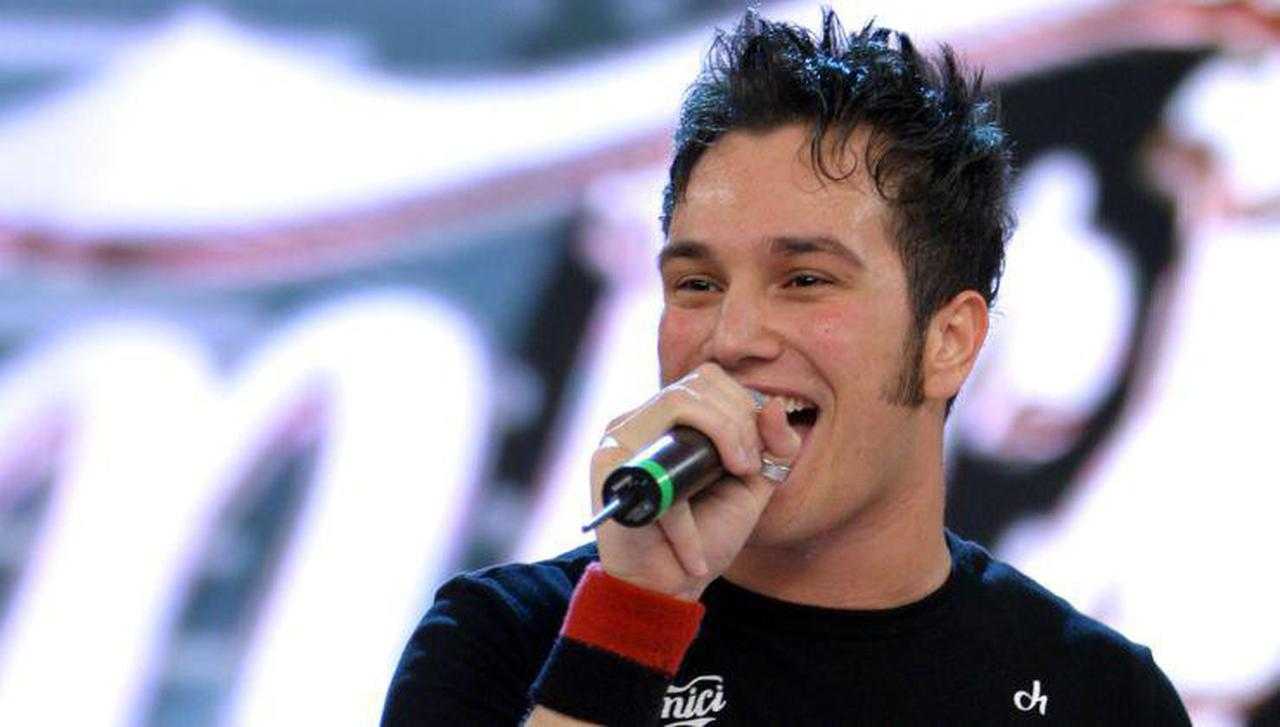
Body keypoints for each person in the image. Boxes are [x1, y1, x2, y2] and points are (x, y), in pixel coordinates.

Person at [382, 9, 1191, 725]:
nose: (732, 336)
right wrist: (627, 623)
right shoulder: (503, 641)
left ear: (949, 340)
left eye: (804, 279)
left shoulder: (1100, 695)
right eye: (697, 284)